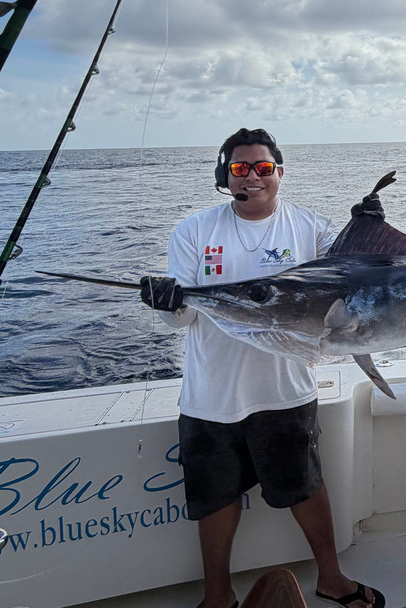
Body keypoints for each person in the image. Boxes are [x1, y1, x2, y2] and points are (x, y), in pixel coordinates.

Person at [140, 128, 384, 608]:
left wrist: (368, 234)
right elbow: (186, 315)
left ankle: (332, 578)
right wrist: (168, 303)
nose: (252, 177)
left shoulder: (311, 229)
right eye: (239, 169)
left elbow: (358, 284)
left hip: (285, 388)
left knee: (306, 487)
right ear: (224, 176)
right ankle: (217, 597)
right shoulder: (193, 231)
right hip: (211, 394)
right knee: (215, 500)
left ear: (279, 174)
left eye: (263, 168)